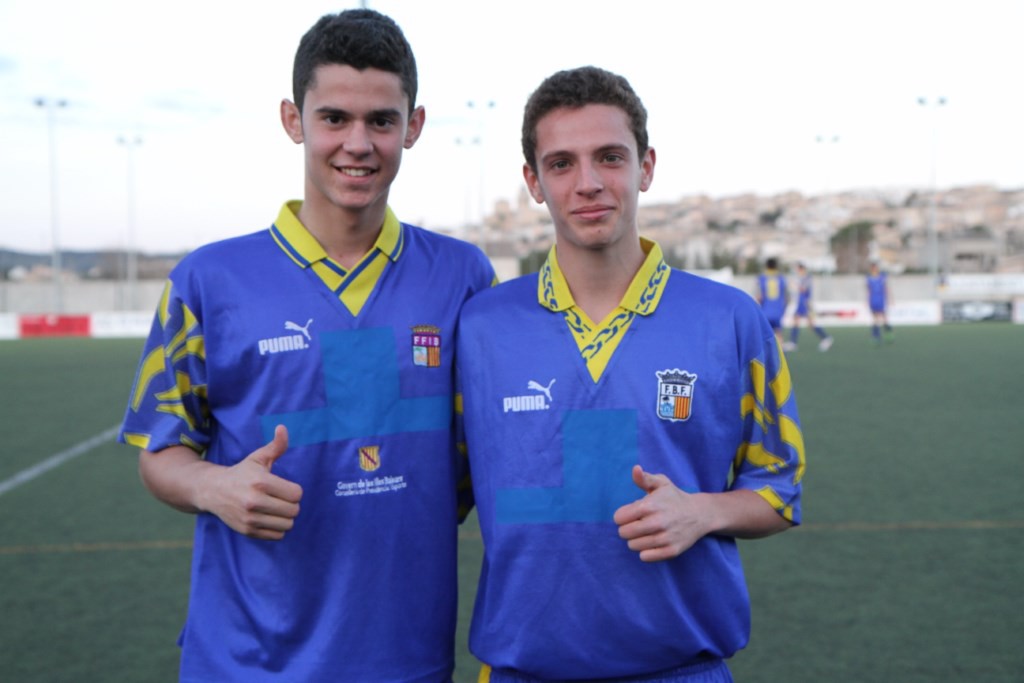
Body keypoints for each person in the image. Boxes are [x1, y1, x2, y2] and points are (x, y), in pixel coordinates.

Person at [118, 9, 495, 682]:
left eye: (381, 120)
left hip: (406, 658)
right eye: (334, 119)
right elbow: (160, 450)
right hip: (245, 661)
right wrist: (214, 485)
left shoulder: (464, 276)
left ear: (414, 126)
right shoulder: (208, 279)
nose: (358, 142)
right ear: (294, 121)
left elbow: (486, 454)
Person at [456, 66, 804, 682]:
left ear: (645, 167)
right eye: (561, 164)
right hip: (521, 670)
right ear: (534, 182)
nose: (588, 183)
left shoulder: (730, 320)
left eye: (609, 157)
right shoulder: (481, 326)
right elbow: (434, 489)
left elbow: (779, 491)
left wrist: (705, 512)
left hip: (680, 669)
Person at [785, 262, 833, 352]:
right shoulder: (801, 278)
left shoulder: (807, 278)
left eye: (798, 269)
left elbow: (803, 289)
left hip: (805, 303)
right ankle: (793, 342)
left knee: (810, 324)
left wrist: (794, 285)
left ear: (802, 269)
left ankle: (826, 338)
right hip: (801, 302)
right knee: (797, 321)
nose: (797, 271)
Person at [756, 256, 788, 346]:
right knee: (779, 334)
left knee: (763, 336)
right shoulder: (781, 278)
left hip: (765, 311)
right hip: (778, 311)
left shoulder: (762, 278)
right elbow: (786, 298)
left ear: (766, 266)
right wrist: (784, 309)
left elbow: (759, 297)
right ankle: (782, 357)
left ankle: (766, 358)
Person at [866, 260, 893, 344]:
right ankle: (876, 336)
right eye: (873, 268)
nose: (874, 269)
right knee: (875, 318)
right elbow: (868, 290)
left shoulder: (882, 276)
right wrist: (867, 300)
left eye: (875, 268)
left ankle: (889, 334)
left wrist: (890, 299)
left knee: (884, 317)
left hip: (881, 299)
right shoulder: (869, 278)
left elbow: (886, 288)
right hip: (873, 299)